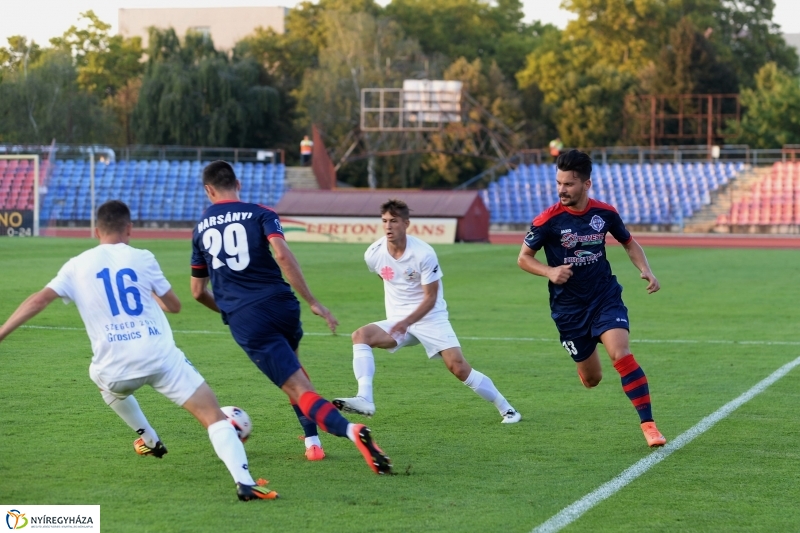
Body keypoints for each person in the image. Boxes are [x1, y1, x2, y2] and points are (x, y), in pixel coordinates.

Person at [0, 200, 278, 501]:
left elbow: (38, 300)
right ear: (129, 228)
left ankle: (149, 439)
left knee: (100, 379)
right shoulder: (143, 257)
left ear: (96, 231)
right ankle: (245, 482)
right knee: (212, 416)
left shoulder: (76, 265)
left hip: (114, 367)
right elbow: (174, 305)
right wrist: (151, 296)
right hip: (160, 358)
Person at [190, 160, 392, 475]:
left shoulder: (201, 228)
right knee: (296, 371)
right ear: (238, 184)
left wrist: (231, 310)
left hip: (248, 317)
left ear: (208, 190)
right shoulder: (261, 213)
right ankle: (312, 442)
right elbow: (282, 254)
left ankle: (351, 431)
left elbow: (197, 292)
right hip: (283, 304)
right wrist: (313, 301)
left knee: (297, 387)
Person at [517, 149, 667, 447]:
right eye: (559, 183)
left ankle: (649, 426)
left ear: (586, 184)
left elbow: (629, 242)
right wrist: (550, 271)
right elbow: (523, 258)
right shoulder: (547, 220)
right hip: (568, 309)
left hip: (604, 297)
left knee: (621, 354)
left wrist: (646, 270)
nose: (561, 190)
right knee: (592, 379)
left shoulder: (605, 213)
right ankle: (584, 365)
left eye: (568, 184)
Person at [333, 199, 522, 424]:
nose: (388, 226)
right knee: (360, 336)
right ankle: (365, 398)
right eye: (384, 221)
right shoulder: (373, 253)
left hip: (430, 317)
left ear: (406, 223)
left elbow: (431, 297)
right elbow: (385, 277)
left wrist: (407, 321)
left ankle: (507, 409)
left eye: (394, 221)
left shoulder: (423, 253)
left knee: (458, 367)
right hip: (398, 320)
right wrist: (401, 319)